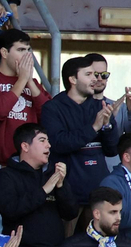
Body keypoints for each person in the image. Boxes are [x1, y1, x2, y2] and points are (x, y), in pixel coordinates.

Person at [40, 56, 120, 205]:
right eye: (88, 75)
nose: (95, 79)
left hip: (98, 192)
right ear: (73, 79)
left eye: (95, 75)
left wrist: (108, 126)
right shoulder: (52, 108)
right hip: (67, 192)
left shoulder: (99, 106)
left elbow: (112, 150)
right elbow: (58, 143)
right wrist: (94, 128)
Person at [0, 29, 47, 186]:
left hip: (27, 169)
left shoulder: (33, 84)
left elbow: (49, 116)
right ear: (4, 53)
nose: (27, 55)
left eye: (28, 50)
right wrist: (22, 81)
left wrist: (30, 82)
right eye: (20, 50)